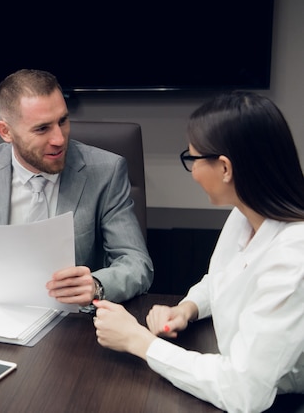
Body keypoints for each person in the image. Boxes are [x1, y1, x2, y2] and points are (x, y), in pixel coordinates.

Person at [93, 92, 304, 412]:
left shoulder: (294, 254)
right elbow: (222, 278)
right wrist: (187, 308)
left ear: (224, 168)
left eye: (192, 159)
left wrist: (138, 341)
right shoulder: (245, 214)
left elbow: (244, 392)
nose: (191, 172)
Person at [0, 69, 153, 306]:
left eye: (63, 121)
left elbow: (137, 264)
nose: (59, 139)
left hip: (73, 322)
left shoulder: (106, 171)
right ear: (6, 131)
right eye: (42, 128)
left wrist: (96, 285)